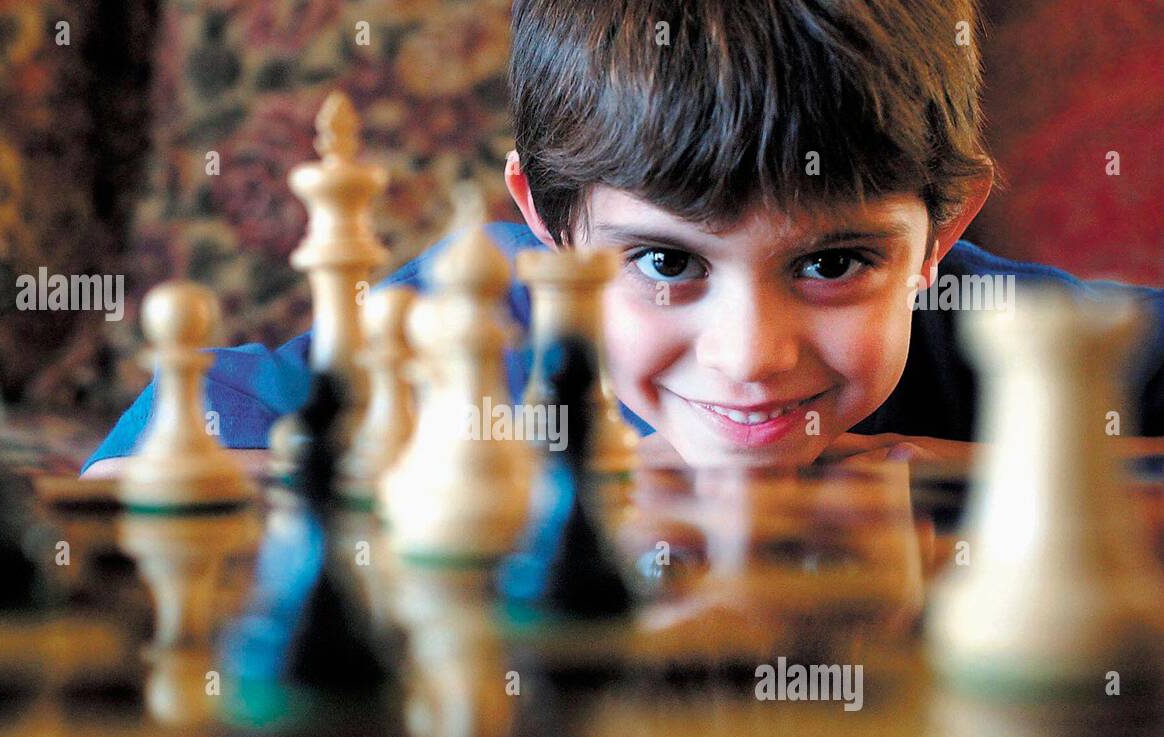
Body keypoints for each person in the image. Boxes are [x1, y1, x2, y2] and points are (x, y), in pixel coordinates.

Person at [82, 0, 1164, 477]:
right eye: (665, 261)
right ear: (549, 224)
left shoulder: (1018, 342)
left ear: (940, 234)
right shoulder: (469, 326)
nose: (749, 355)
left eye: (832, 263)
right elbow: (160, 441)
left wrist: (966, 466)